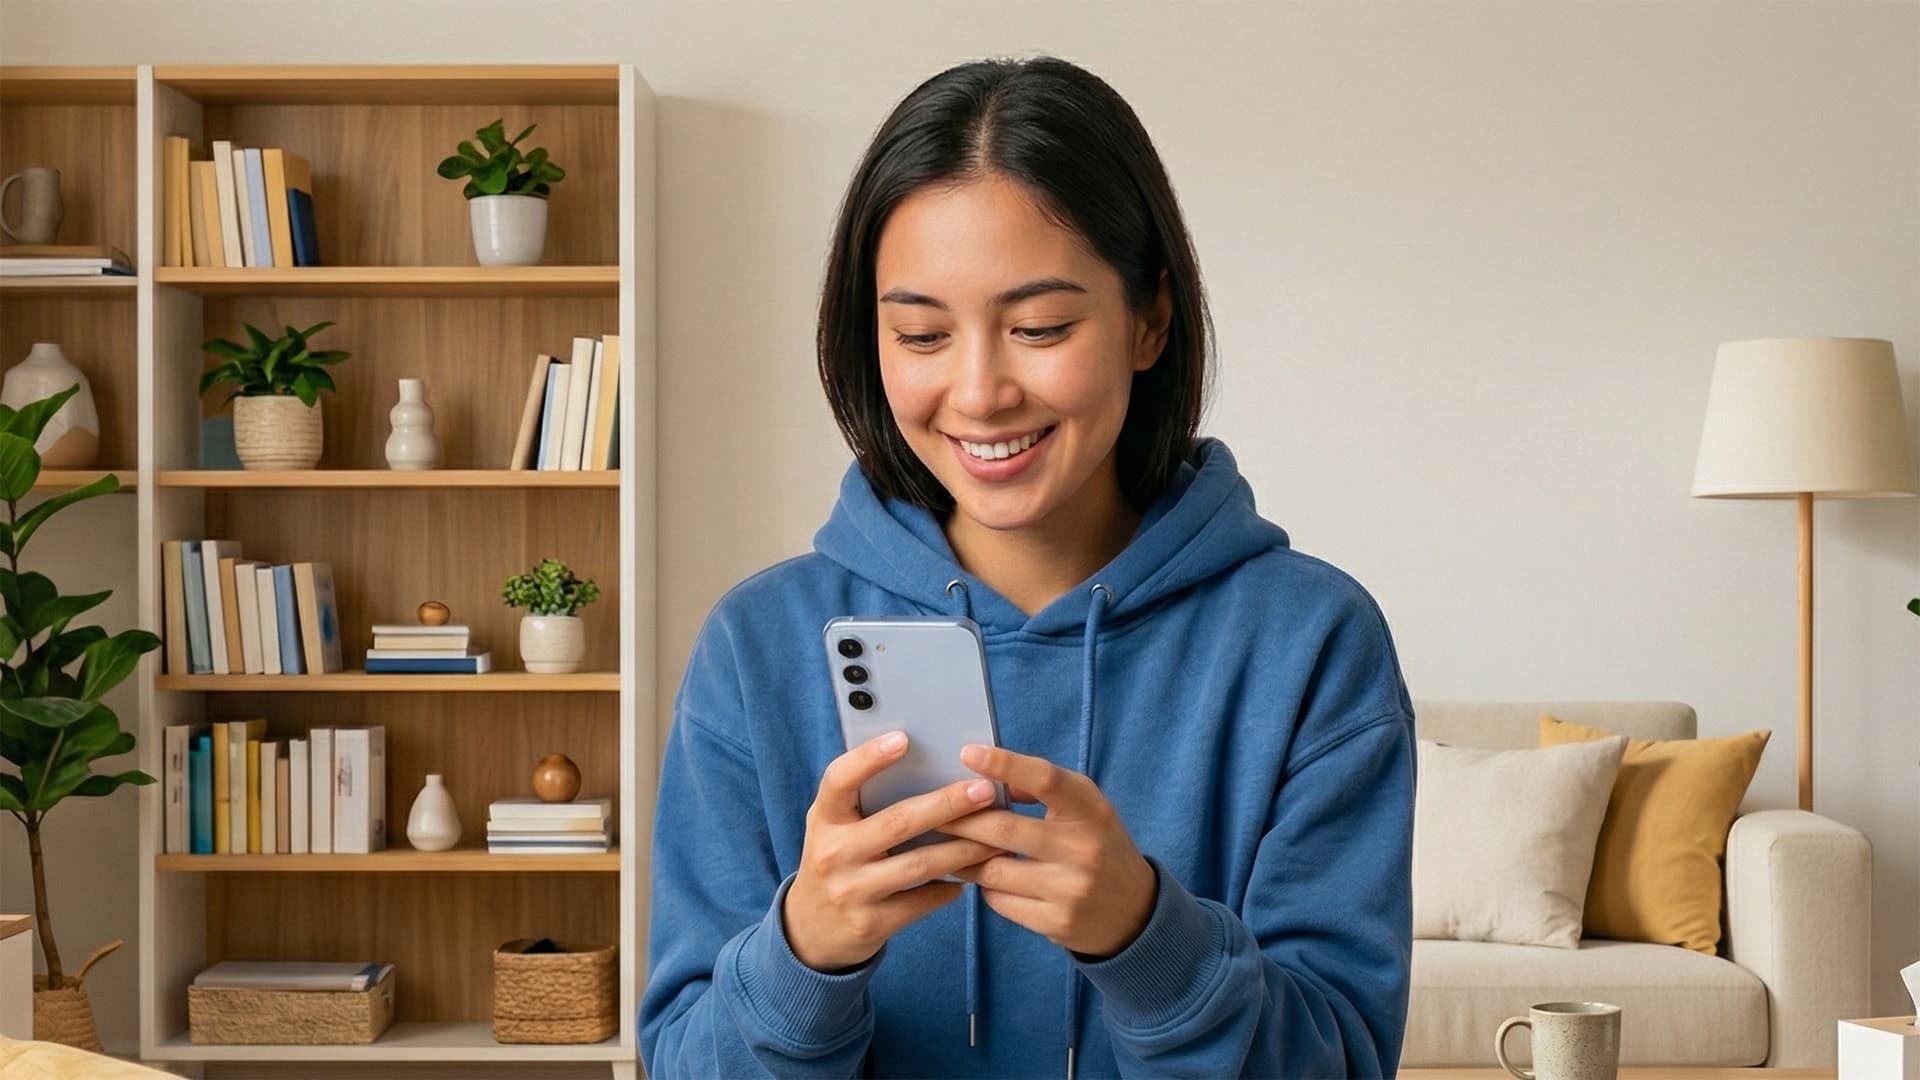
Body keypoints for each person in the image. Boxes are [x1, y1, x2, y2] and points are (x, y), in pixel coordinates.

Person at [640, 55, 1415, 1079]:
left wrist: (1147, 938)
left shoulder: (1309, 643)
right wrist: (805, 952)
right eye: (921, 333)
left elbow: (1345, 1062)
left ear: (1151, 318)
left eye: (1039, 327)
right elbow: (682, 1060)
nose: (979, 391)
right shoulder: (760, 644)